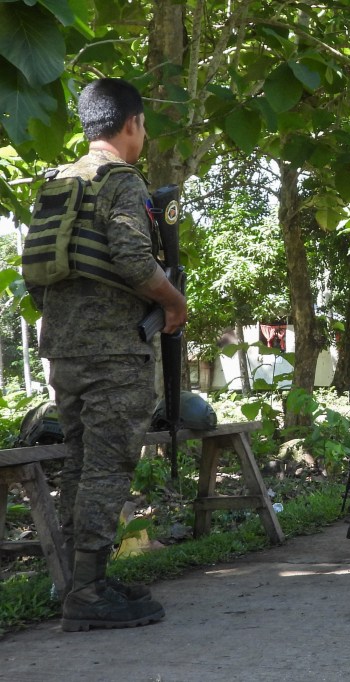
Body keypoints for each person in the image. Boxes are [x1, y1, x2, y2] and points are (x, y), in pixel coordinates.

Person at [25, 78, 187, 631]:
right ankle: (89, 594)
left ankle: (78, 581)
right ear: (131, 124)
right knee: (107, 465)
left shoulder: (57, 183)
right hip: (114, 352)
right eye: (143, 126)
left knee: (77, 461)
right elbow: (135, 261)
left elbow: (36, 276)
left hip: (63, 348)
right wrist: (173, 301)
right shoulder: (121, 180)